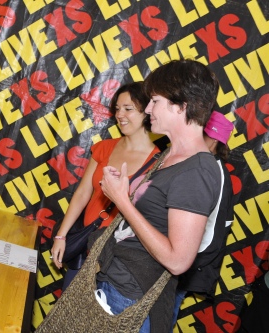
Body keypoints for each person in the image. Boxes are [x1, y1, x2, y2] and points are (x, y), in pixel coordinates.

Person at [97, 59, 222, 332]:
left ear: (181, 106)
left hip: (131, 297)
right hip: (116, 282)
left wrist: (122, 202)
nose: (149, 109)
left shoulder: (197, 170)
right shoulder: (171, 154)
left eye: (154, 101)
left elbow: (178, 261)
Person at [51, 82, 161, 290]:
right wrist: (61, 235)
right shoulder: (104, 147)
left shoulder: (158, 163)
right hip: (85, 250)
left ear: (147, 112)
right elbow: (83, 193)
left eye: (128, 109)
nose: (120, 115)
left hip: (118, 264)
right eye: (117, 109)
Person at [171, 111, 235, 326]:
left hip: (180, 267)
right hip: (175, 261)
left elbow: (213, 232)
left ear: (214, 140)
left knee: (160, 319)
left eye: (202, 133)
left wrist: (183, 260)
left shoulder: (213, 172)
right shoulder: (200, 165)